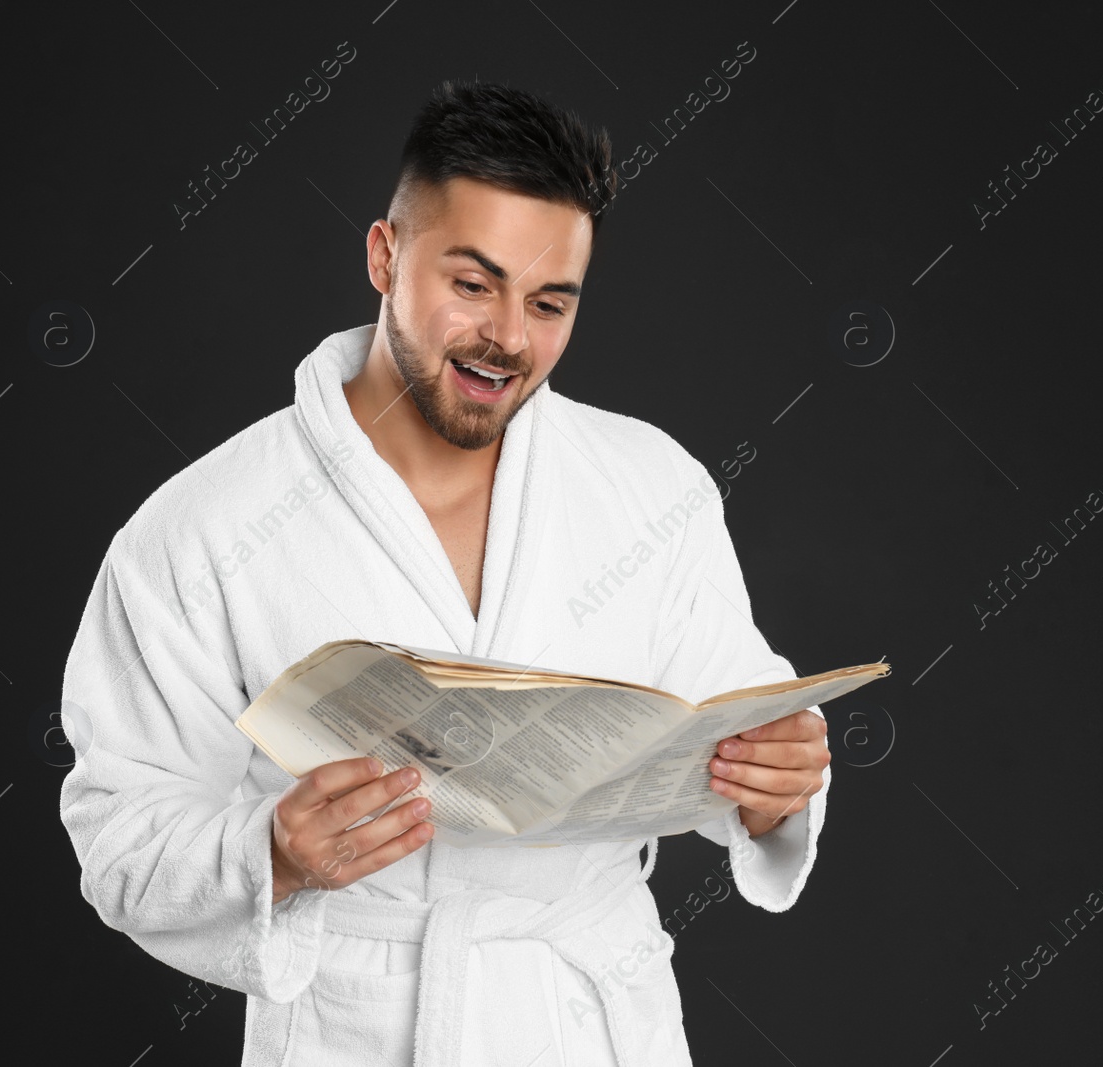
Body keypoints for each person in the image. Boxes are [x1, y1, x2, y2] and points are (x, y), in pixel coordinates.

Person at [58, 78, 831, 1066]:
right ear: (385, 256)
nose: (509, 336)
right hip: (357, 1028)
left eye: (547, 301)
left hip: (592, 1021)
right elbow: (120, 825)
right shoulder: (207, 525)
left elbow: (744, 715)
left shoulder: (650, 486)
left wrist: (776, 785)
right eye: (473, 284)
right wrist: (273, 851)